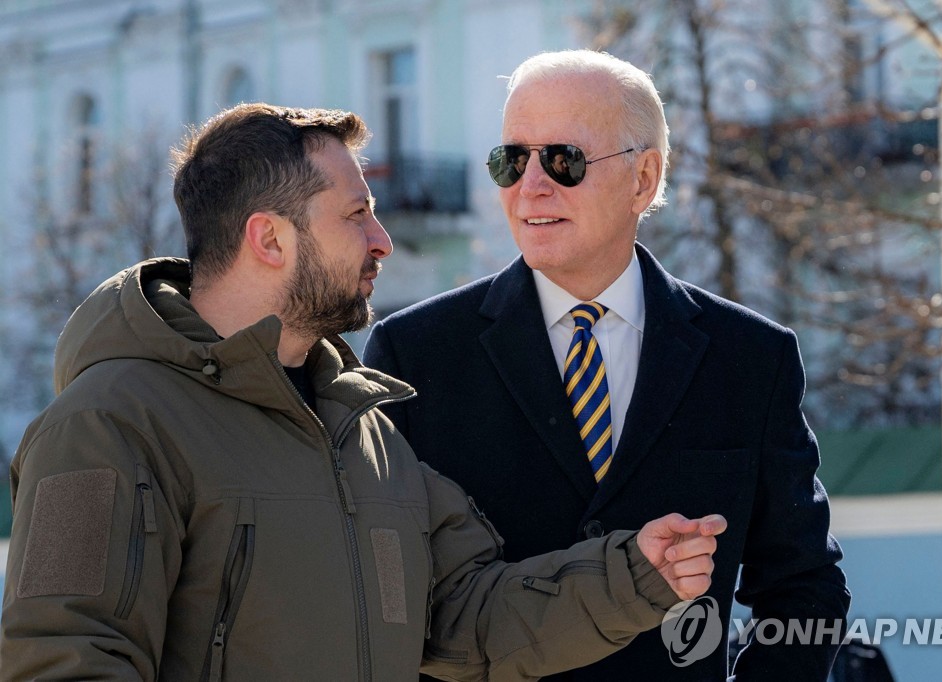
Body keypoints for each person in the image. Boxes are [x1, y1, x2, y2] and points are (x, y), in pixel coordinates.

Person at [0, 103, 728, 681]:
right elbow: (64, 658)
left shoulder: (364, 433)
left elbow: (460, 618)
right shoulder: (105, 425)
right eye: (355, 215)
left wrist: (633, 575)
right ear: (271, 238)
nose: (381, 238)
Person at [364, 49, 851, 680]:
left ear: (643, 179)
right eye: (511, 160)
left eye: (563, 160)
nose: (530, 186)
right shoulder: (415, 354)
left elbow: (805, 585)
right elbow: (393, 602)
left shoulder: (750, 357)